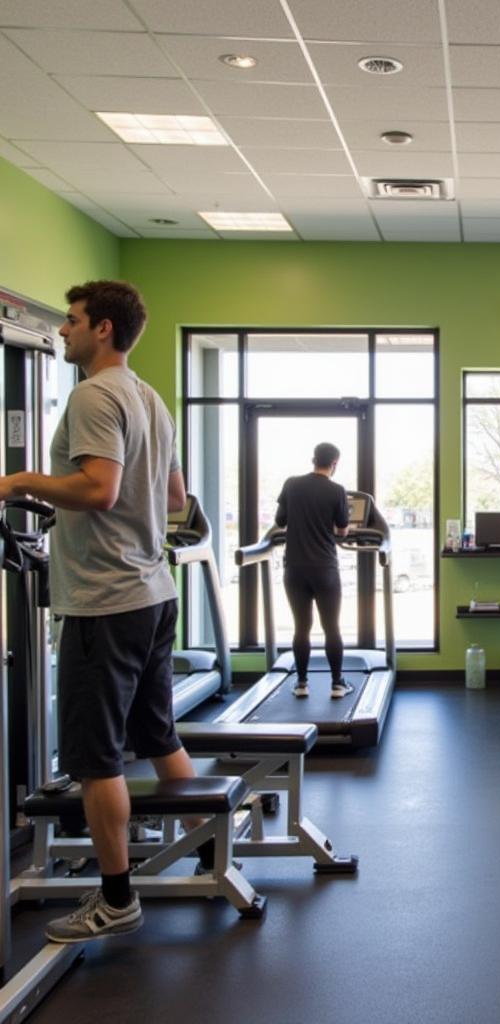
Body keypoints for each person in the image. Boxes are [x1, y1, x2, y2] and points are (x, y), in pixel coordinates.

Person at [0, 280, 202, 942]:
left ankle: (116, 899)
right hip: (151, 593)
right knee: (158, 734)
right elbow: (174, 496)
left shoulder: (92, 393)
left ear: (104, 330)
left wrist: (18, 481)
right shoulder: (149, 397)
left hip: (103, 601)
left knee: (95, 761)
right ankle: (208, 847)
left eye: (72, 320)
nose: (62, 330)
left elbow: (98, 487)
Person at [274, 442, 350, 698]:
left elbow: (280, 521)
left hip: (294, 568)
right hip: (325, 568)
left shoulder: (291, 484)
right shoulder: (337, 490)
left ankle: (302, 683)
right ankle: (337, 683)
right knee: (332, 627)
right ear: (335, 463)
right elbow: (342, 529)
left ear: (313, 459)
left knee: (301, 627)